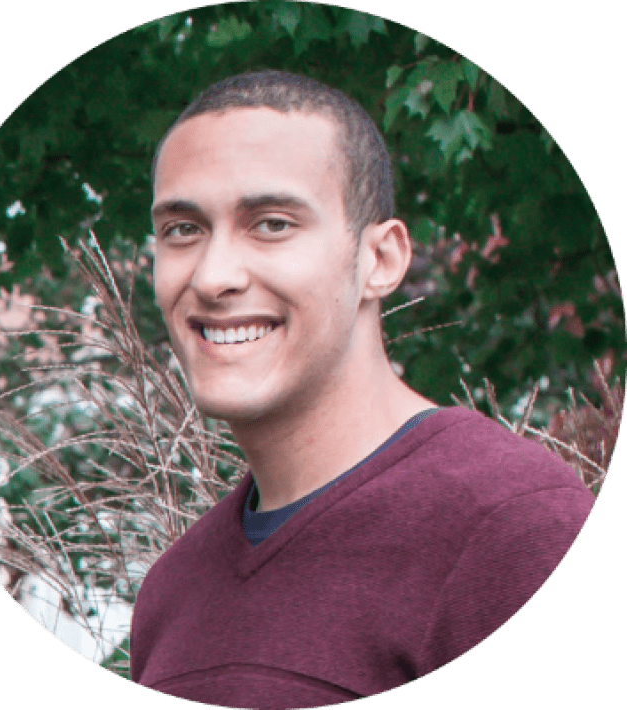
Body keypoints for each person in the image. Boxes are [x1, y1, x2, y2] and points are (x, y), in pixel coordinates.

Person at [130, 71, 594, 709]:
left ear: (381, 260)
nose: (213, 277)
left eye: (270, 224)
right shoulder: (170, 595)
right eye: (182, 229)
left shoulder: (512, 529)